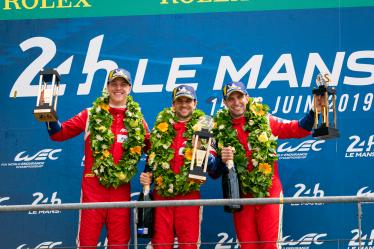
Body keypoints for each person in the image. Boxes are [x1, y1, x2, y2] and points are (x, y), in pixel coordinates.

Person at [46, 68, 150, 249]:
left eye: (123, 84)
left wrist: (149, 175)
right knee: (87, 243)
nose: (118, 88)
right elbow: (58, 134)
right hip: (92, 193)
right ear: (107, 87)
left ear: (130, 88)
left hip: (121, 193)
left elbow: (154, 151)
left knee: (119, 244)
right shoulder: (91, 114)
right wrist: (48, 113)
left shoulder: (138, 120)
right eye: (114, 84)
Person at [210, 81, 320, 249]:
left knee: (270, 245)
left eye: (239, 96)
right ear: (224, 102)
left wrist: (315, 110)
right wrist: (221, 161)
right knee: (247, 246)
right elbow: (213, 171)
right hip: (240, 195)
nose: (236, 102)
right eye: (231, 99)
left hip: (269, 192)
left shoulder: (265, 120)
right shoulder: (218, 128)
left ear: (247, 97)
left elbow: (297, 128)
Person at [140, 85, 215, 249]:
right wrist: (146, 177)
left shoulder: (204, 127)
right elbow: (151, 160)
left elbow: (213, 167)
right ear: (173, 104)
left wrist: (203, 152)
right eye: (179, 101)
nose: (184, 104)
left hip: (189, 196)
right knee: (160, 244)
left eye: (188, 100)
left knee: (189, 244)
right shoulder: (160, 128)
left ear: (195, 103)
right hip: (161, 196)